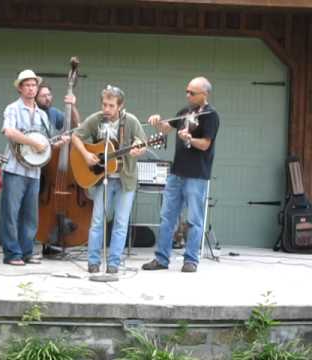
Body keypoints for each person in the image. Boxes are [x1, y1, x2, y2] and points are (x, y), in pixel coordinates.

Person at [142, 76, 220, 273]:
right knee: (167, 217)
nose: (188, 95)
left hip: (196, 175)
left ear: (204, 94)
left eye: (192, 93)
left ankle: (191, 260)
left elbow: (205, 144)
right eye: (187, 91)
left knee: (194, 219)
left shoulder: (211, 116)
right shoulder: (185, 112)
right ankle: (161, 258)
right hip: (176, 173)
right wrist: (157, 121)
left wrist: (190, 139)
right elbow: (167, 128)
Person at [72, 85, 146, 274]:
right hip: (102, 178)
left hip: (125, 179)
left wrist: (138, 147)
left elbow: (141, 142)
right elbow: (76, 136)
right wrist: (87, 156)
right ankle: (93, 261)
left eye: (111, 105)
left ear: (120, 106)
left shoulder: (130, 121)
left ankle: (113, 263)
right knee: (97, 221)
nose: (106, 109)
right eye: (104, 104)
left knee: (121, 223)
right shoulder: (97, 120)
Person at [0, 70, 69, 266]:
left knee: (31, 215)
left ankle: (27, 251)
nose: (31, 88)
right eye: (27, 85)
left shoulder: (42, 115)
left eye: (34, 85)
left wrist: (58, 143)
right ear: (20, 88)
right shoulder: (12, 108)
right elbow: (9, 131)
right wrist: (32, 142)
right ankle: (12, 253)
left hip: (34, 171)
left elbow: (44, 144)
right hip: (14, 168)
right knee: (11, 213)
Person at [35, 83, 80, 256]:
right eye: (43, 96)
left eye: (49, 95)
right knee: (36, 206)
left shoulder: (54, 113)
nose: (47, 98)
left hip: (55, 169)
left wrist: (72, 105)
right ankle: (38, 241)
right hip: (40, 167)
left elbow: (76, 124)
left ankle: (54, 242)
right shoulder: (34, 114)